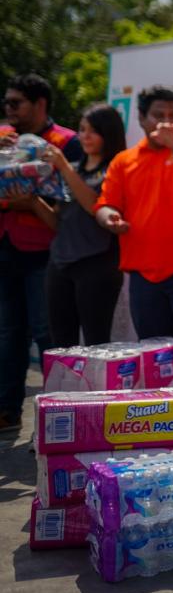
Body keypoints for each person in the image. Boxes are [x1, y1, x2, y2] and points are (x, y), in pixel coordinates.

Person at [92, 85, 173, 340]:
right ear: (141, 118)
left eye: (172, 116)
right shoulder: (123, 161)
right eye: (158, 115)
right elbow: (105, 204)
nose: (166, 122)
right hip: (145, 273)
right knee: (153, 353)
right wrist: (108, 216)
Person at [0, 73, 81, 431]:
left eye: (16, 103)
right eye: (7, 104)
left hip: (46, 253)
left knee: (47, 334)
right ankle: (6, 410)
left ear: (40, 104)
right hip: (5, 250)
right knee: (6, 333)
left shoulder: (66, 143)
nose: (9, 110)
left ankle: (57, 415)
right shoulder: (3, 140)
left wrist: (31, 203)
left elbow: (74, 203)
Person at [36, 104, 127, 348]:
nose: (85, 136)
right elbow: (58, 222)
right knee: (59, 343)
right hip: (60, 263)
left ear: (109, 133)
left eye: (93, 131)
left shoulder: (116, 170)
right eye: (82, 129)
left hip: (96, 264)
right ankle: (60, 387)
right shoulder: (71, 170)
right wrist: (32, 201)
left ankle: (93, 388)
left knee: (96, 343)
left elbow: (95, 207)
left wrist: (64, 166)